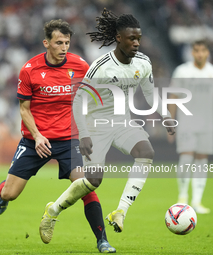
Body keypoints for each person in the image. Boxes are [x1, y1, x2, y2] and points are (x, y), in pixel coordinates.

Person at [0, 19, 116, 253]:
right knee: (11, 193)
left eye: (67, 43)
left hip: (69, 140)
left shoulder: (80, 66)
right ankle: (2, 192)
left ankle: (102, 240)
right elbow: (24, 109)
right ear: (46, 43)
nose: (64, 48)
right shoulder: (30, 70)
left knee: (86, 186)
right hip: (35, 141)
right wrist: (38, 136)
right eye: (59, 43)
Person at [72, 9, 176, 233]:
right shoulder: (101, 67)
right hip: (96, 125)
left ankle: (120, 211)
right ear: (119, 38)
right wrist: (83, 134)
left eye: (139, 38)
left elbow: (150, 94)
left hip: (122, 122)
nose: (137, 43)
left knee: (146, 152)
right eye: (132, 38)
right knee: (93, 181)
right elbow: (78, 100)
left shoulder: (143, 63)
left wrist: (166, 115)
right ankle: (53, 210)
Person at [168, 40, 213, 214]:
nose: (199, 54)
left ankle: (197, 201)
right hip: (186, 124)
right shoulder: (182, 71)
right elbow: (173, 97)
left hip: (207, 124)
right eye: (196, 50)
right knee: (186, 157)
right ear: (192, 52)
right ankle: (182, 197)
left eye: (202, 50)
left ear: (207, 53)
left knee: (201, 161)